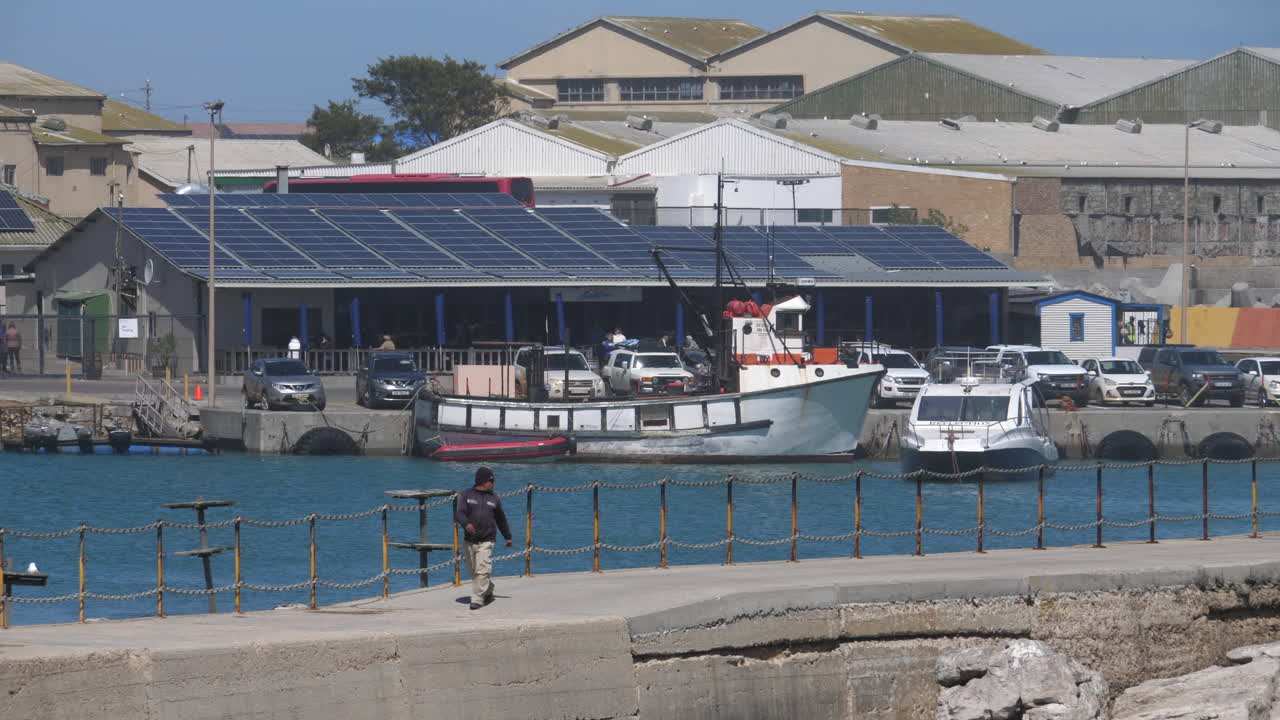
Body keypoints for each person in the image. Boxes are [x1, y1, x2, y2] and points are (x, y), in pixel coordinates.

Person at [454, 467, 513, 610]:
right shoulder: (466, 495)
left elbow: (501, 519)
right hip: (469, 541)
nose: (493, 484)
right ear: (483, 481)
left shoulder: (494, 498)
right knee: (473, 571)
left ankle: (477, 599)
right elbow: (460, 513)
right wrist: (466, 524)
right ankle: (488, 589)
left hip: (487, 540)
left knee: (482, 570)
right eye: (491, 481)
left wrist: (508, 537)